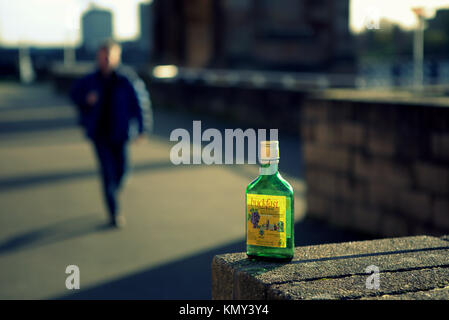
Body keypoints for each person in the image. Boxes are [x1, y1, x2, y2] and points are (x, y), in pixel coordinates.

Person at [70, 39, 153, 228]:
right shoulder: (90, 79)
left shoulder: (127, 80)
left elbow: (141, 105)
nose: (105, 60)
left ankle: (113, 192)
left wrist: (143, 129)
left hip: (120, 133)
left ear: (117, 57)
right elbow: (74, 94)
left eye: (109, 56)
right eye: (102, 57)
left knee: (122, 172)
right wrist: (86, 100)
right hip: (99, 134)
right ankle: (114, 213)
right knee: (107, 173)